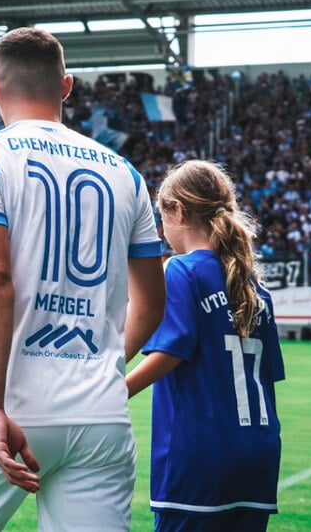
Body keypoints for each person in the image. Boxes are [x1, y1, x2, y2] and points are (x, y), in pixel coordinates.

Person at [0, 27, 166, 531]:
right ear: (67, 85)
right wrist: (101, 367)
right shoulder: (126, 173)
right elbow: (152, 302)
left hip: (15, 405)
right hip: (101, 412)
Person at [126, 159, 284, 531]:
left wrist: (114, 391)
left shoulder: (181, 270)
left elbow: (171, 350)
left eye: (160, 216)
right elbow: (268, 376)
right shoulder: (254, 287)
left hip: (199, 457)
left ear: (177, 212)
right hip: (260, 453)